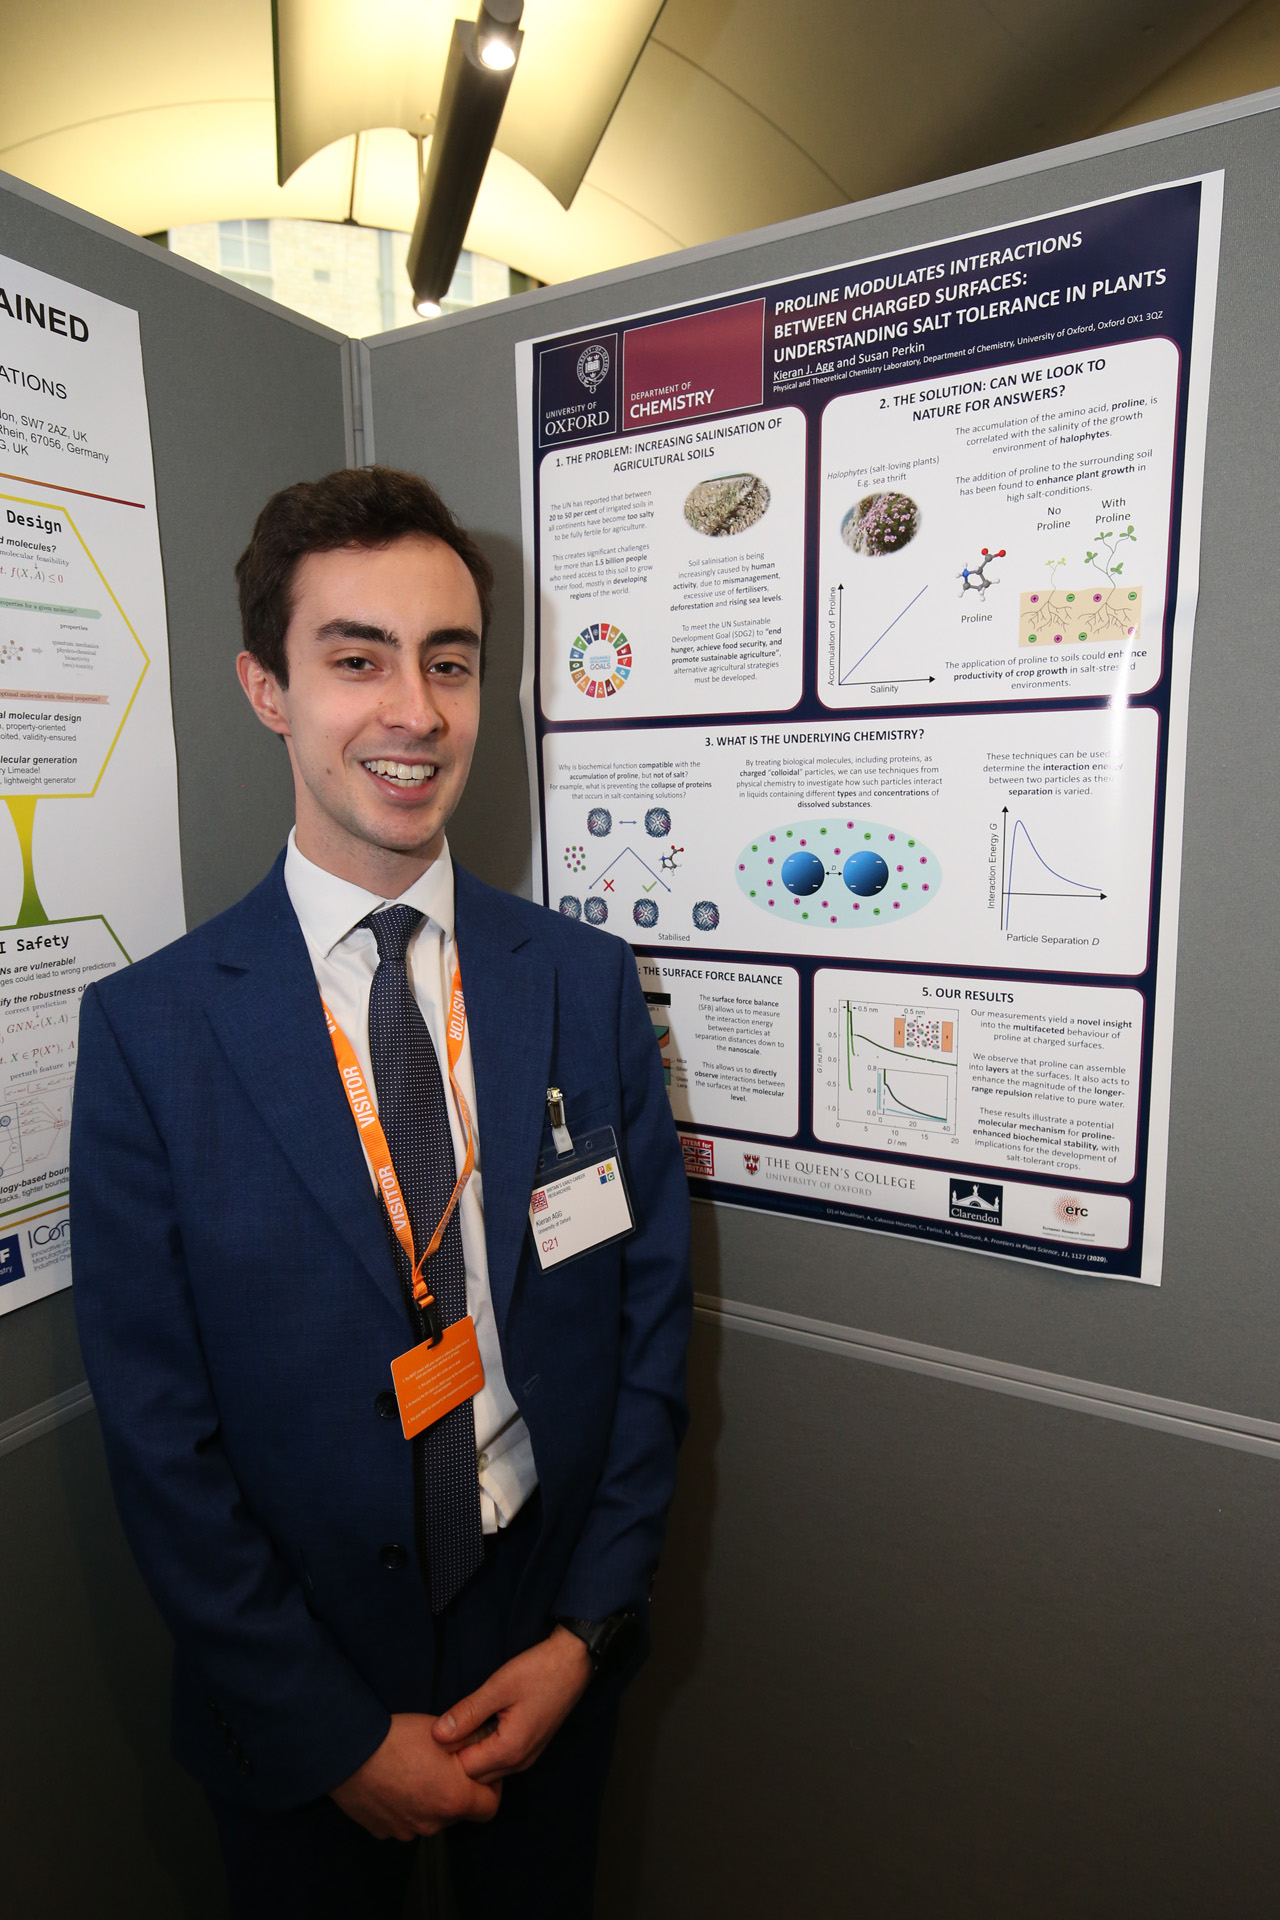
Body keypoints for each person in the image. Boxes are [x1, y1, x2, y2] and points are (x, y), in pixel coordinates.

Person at [69, 466, 692, 1918]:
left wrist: (587, 1632)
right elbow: (159, 1436)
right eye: (355, 658)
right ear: (267, 688)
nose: (414, 710)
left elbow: (651, 1328)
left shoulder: (582, 985)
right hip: (297, 1681)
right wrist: (331, 1733)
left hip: (541, 1627)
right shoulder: (156, 1033)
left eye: (450, 661)